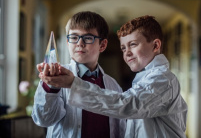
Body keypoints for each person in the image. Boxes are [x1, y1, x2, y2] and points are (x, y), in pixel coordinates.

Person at [39, 15, 188, 138]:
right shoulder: (143, 81)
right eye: (123, 48)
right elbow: (43, 119)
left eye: (133, 44)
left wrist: (73, 84)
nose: (127, 53)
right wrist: (50, 87)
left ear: (155, 46)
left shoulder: (163, 80)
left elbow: (127, 106)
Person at [32, 11, 126, 138]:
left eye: (88, 38)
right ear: (67, 42)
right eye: (74, 37)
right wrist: (51, 88)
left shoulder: (113, 85)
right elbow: (44, 120)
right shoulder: (56, 77)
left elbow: (120, 129)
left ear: (102, 45)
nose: (79, 43)